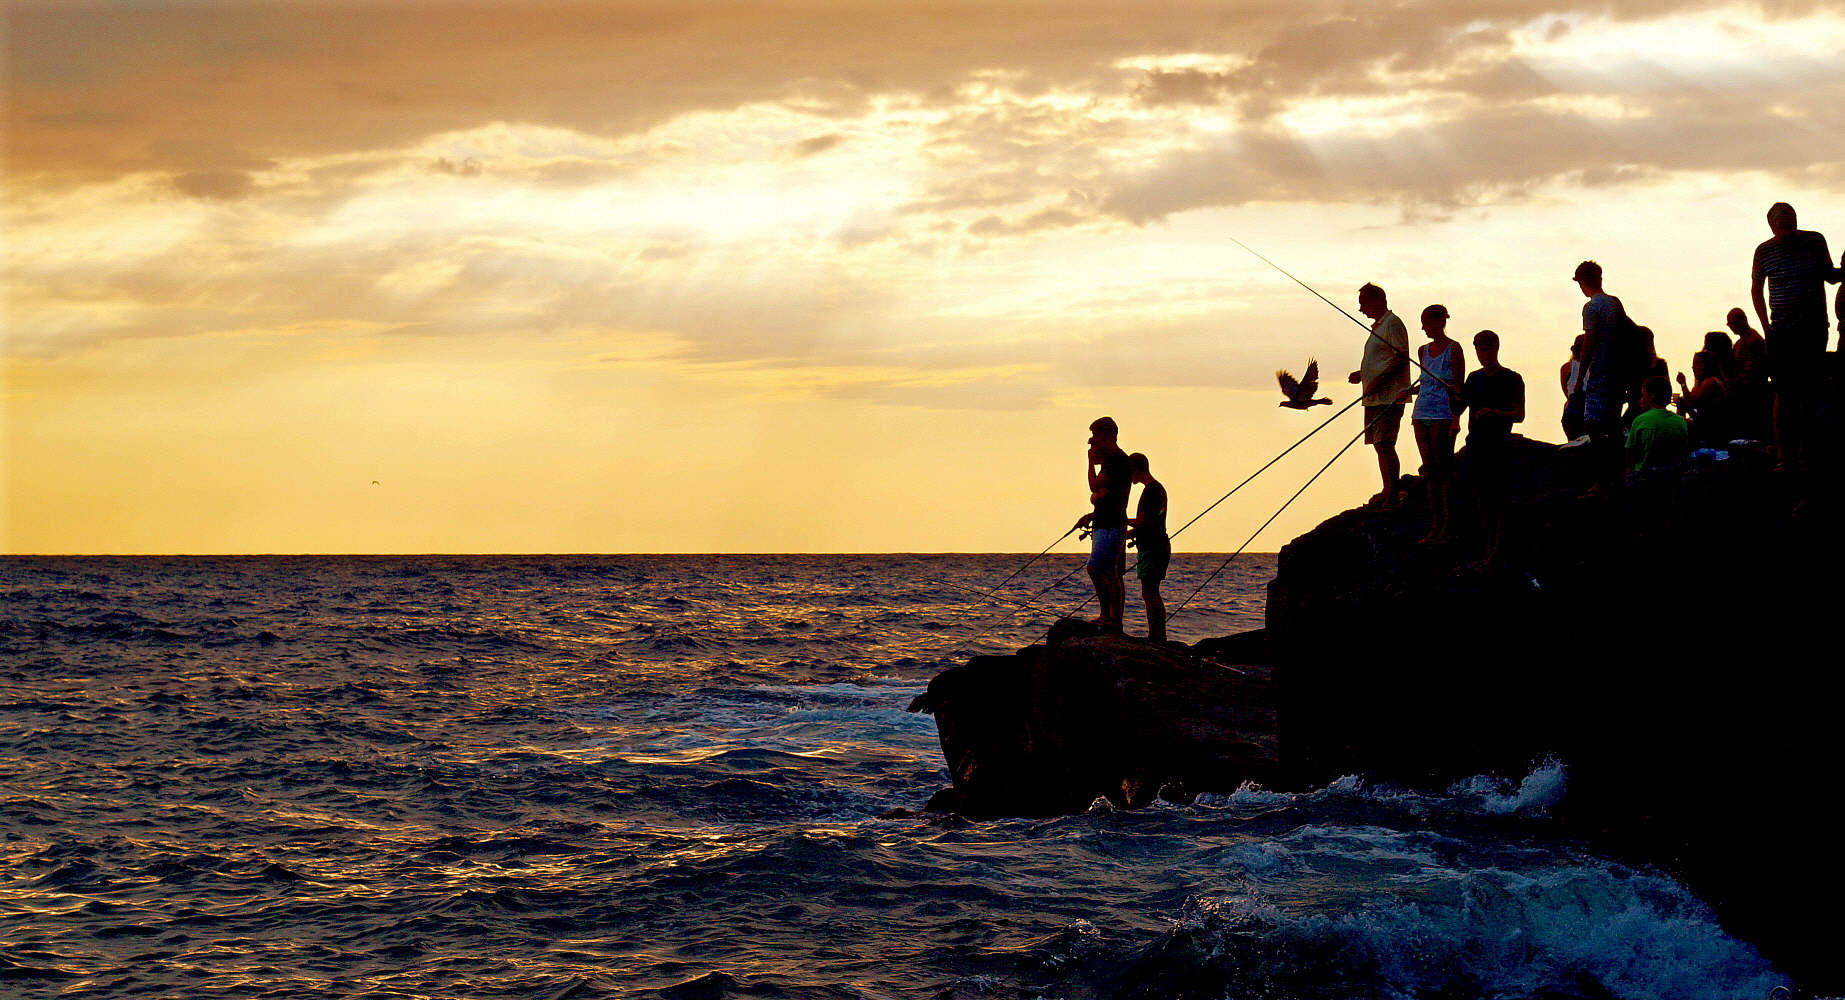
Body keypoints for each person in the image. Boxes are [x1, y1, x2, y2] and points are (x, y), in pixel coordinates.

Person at [1750, 202, 1839, 470]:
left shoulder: (1814, 241)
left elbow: (1829, 276)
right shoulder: (1764, 251)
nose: (1789, 232)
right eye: (1784, 227)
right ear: (1772, 227)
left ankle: (1805, 452)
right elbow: (1756, 288)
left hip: (1813, 329)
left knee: (1810, 391)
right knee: (1784, 393)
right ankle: (1784, 455)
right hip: (1782, 332)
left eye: (1792, 225)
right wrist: (1766, 327)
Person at [1457, 330, 1524, 569]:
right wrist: (1450, 391)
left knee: (1498, 499)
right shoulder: (1474, 378)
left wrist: (1496, 413)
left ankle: (1498, 552)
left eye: (1486, 349)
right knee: (1481, 499)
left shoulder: (1512, 378)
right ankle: (1490, 551)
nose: (1482, 355)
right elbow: (1458, 406)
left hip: (1498, 445)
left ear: (1496, 348)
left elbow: (1519, 415)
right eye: (1479, 350)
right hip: (1475, 444)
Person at [1569, 261, 1633, 484]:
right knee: (1613, 425)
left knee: (1593, 426)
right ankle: (1618, 472)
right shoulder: (1614, 303)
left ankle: (1602, 479)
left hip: (1600, 375)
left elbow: (1589, 344)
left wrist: (1580, 379)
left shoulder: (1591, 307)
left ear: (1582, 282)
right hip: (1618, 375)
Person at [1348, 283, 1410, 508]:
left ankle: (1393, 493)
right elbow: (1383, 359)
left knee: (1385, 443)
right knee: (1379, 445)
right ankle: (1387, 489)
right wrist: (1363, 374)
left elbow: (1401, 358)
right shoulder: (1379, 326)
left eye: (1363, 304)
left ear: (1377, 301)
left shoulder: (1392, 323)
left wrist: (1378, 381)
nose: (1361, 309)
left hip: (1389, 396)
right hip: (1374, 397)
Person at [1410, 304, 1464, 544]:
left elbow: (1458, 387)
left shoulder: (1454, 349)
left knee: (1443, 470)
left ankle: (1448, 525)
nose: (1423, 327)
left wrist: (1456, 419)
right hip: (1420, 413)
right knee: (1430, 470)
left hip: (1442, 413)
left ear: (1440, 321)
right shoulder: (1422, 351)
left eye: (1427, 322)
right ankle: (1436, 525)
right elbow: (1425, 383)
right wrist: (1408, 392)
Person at [1072, 416, 1131, 629]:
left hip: (1112, 524)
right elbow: (1099, 492)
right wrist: (1095, 499)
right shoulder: (1111, 461)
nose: (1093, 440)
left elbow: (1094, 485)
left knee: (1097, 569)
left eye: (1095, 435)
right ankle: (1111, 617)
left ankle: (1110, 616)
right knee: (1110, 571)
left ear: (1107, 435)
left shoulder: (1116, 460)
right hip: (1105, 521)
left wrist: (1090, 463)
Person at [1125, 453, 1170, 643]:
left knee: (1149, 592)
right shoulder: (1157, 489)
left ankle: (1154, 636)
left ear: (1136, 469)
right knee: (1153, 591)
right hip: (1159, 545)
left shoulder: (1151, 491)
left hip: (1152, 547)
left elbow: (1142, 521)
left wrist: (1120, 520)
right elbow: (1152, 521)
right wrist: (1133, 533)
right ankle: (1160, 635)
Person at [1676, 336, 1735, 447]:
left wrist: (1683, 384)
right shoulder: (1700, 382)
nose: (1693, 367)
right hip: (1702, 419)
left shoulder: (1711, 381)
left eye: (1697, 364)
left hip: (1714, 424)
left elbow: (1692, 401)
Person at [1626, 375, 1690, 473]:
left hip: (1644, 474)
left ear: (1651, 396)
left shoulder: (1640, 420)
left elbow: (1630, 454)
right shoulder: (1680, 422)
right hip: (1673, 473)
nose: (1640, 400)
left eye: (1643, 395)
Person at [1726, 307, 1771, 442]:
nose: (1732, 327)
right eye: (1730, 324)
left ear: (1744, 320)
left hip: (1753, 393)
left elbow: (1753, 369)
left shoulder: (1754, 340)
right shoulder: (1741, 342)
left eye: (1734, 323)